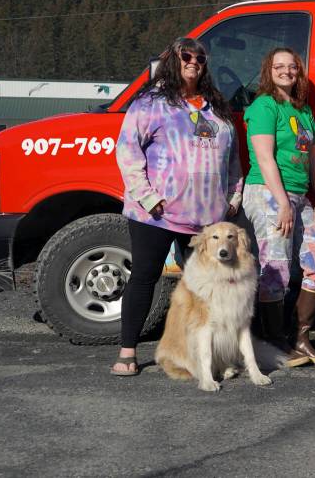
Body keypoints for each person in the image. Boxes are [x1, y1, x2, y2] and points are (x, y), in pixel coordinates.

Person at [111, 37, 243, 376]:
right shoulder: (150, 103)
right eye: (187, 56)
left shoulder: (216, 107)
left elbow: (232, 161)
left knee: (207, 289)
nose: (194, 62)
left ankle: (209, 356)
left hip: (206, 221)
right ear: (172, 60)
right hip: (155, 215)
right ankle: (128, 351)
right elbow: (127, 152)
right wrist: (148, 197)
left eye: (200, 58)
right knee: (144, 277)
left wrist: (233, 197)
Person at [243, 47, 315, 367]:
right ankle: (274, 342)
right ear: (269, 71)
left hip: (300, 196)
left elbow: (313, 158)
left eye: (292, 67)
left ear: (299, 72)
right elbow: (265, 158)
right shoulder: (264, 107)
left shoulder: (303, 111)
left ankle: (300, 338)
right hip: (268, 194)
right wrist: (282, 203)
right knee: (275, 269)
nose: (286, 71)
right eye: (279, 66)